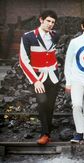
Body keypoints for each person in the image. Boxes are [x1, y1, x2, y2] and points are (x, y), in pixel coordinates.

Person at [19, 10, 60, 145]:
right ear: (41, 20)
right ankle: (44, 134)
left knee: (50, 105)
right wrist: (35, 80)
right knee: (42, 103)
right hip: (38, 78)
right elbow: (23, 61)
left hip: (53, 76)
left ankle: (47, 133)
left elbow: (53, 54)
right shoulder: (28, 37)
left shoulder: (55, 35)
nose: (50, 24)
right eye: (48, 21)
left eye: (53, 22)